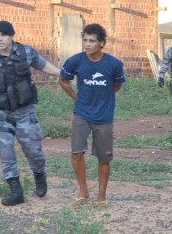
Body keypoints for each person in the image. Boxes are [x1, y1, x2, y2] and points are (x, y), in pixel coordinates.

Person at [0, 20, 61, 206]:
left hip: (25, 112)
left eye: (4, 35)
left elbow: (42, 65)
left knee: (33, 151)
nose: (0, 39)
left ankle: (39, 176)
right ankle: (16, 191)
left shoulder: (26, 51)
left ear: (12, 36)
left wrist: (62, 73)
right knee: (5, 152)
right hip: (1, 113)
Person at [59, 23, 125, 207]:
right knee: (76, 153)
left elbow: (116, 86)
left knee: (104, 158)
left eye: (92, 41)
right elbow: (63, 80)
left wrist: (104, 98)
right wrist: (76, 97)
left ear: (102, 43)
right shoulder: (75, 61)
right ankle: (83, 191)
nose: (87, 44)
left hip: (104, 117)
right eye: (85, 40)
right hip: (82, 114)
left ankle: (101, 196)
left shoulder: (114, 64)